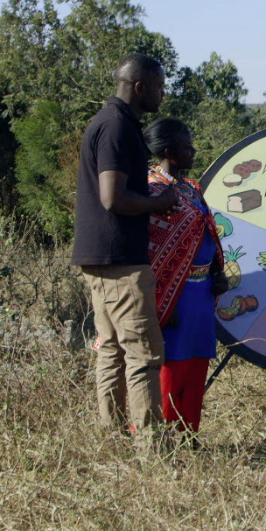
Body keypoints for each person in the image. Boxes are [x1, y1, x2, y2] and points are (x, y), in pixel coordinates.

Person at [71, 53, 178, 447]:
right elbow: (113, 197)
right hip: (120, 260)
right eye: (159, 86)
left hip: (99, 257)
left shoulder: (109, 122)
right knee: (143, 354)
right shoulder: (117, 126)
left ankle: (111, 439)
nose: (162, 94)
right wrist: (158, 201)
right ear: (140, 86)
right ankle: (151, 445)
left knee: (112, 350)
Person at [142, 118, 229, 438]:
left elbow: (207, 231)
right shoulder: (149, 188)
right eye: (187, 146)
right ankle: (163, 439)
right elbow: (151, 247)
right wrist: (164, 296)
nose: (193, 151)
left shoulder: (191, 188)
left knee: (196, 364)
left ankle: (188, 435)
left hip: (200, 293)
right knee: (170, 366)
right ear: (169, 151)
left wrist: (218, 272)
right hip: (171, 297)